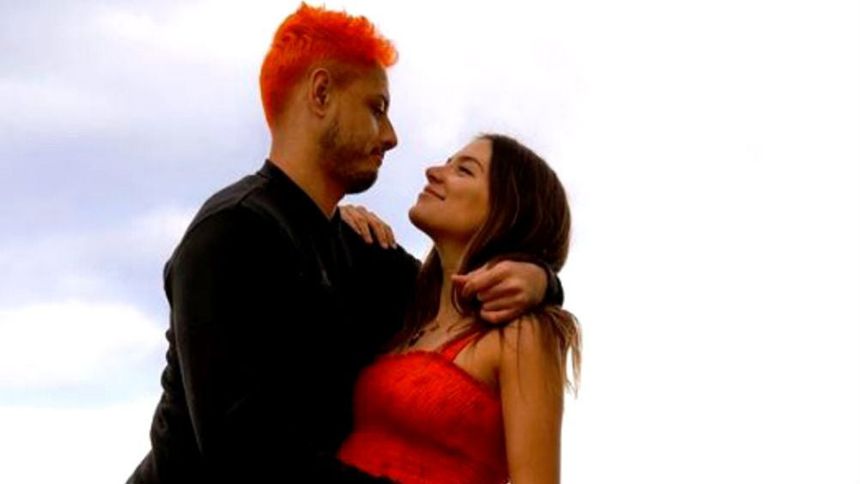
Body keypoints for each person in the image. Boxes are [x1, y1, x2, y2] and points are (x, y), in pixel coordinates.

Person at [127, 5, 561, 483]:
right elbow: (244, 452)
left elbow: (452, 300)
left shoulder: (363, 254)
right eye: (377, 109)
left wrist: (542, 280)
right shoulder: (229, 233)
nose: (392, 137)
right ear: (321, 94)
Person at [337, 134, 582, 484]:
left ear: (507, 211)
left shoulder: (519, 334)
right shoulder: (408, 313)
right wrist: (333, 225)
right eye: (447, 162)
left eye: (464, 170)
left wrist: (542, 278)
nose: (433, 171)